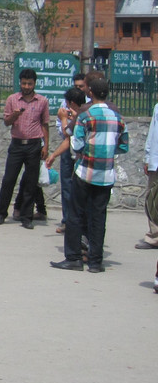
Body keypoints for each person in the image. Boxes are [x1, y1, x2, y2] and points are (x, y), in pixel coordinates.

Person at [51, 76, 129, 273]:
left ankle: (73, 257)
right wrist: (108, 152)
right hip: (106, 175)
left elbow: (76, 144)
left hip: (85, 172)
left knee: (75, 215)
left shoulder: (85, 116)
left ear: (90, 93)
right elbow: (123, 145)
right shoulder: (117, 117)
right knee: (98, 217)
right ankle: (95, 261)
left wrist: (86, 151)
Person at [0, 68, 49, 230]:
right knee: (9, 179)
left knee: (31, 182)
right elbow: (6, 122)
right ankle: (1, 213)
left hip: (34, 145)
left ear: (34, 84)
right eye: (24, 83)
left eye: (29, 84)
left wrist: (46, 146)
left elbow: (45, 124)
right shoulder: (12, 99)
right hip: (17, 144)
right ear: (20, 83)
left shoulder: (42, 101)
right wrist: (14, 116)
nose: (26, 86)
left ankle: (26, 216)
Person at [54, 73, 89, 233]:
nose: (78, 89)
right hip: (68, 150)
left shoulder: (89, 106)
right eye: (76, 86)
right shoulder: (65, 103)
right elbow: (64, 134)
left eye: (81, 86)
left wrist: (66, 121)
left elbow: (69, 131)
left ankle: (78, 223)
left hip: (82, 153)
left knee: (81, 188)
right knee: (67, 186)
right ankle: (67, 219)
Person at [136, 102, 158, 250]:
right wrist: (148, 156)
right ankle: (154, 236)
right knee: (153, 199)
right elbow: (153, 133)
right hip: (156, 162)